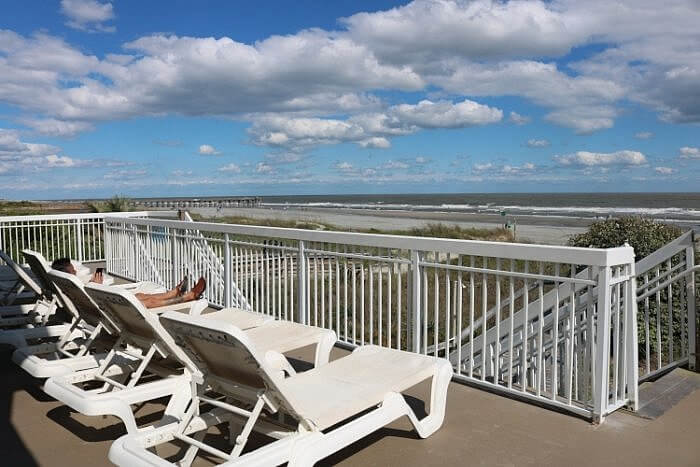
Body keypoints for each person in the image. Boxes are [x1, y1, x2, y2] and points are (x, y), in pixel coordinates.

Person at [50, 258, 206, 309]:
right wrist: (97, 286)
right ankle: (188, 296)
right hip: (109, 311)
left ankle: (173, 292)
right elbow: (92, 303)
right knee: (149, 301)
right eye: (73, 270)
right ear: (68, 272)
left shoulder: (65, 284)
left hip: (103, 305)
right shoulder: (71, 283)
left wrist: (94, 285)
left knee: (139, 295)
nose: (76, 272)